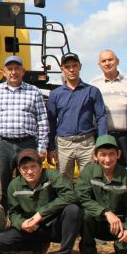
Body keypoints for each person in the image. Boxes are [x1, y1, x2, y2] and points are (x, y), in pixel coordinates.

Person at [0, 150, 81, 254]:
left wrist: (41, 214)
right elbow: (14, 212)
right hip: (32, 229)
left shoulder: (52, 176)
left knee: (72, 210)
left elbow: (71, 195)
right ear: (19, 170)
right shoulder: (14, 185)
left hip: (54, 225)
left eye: (33, 166)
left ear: (41, 166)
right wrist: (22, 224)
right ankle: (38, 245)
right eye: (24, 168)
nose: (29, 171)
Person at [0, 55, 49, 202]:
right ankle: (4, 216)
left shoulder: (34, 92)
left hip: (27, 144)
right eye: (9, 69)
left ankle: (25, 215)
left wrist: (42, 147)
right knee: (0, 182)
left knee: (28, 181)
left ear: (23, 71)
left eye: (17, 68)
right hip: (1, 145)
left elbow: (43, 121)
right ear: (4, 72)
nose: (13, 72)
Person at [75, 135, 127, 254]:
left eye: (112, 154)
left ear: (119, 154)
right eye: (103, 154)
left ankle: (124, 250)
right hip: (96, 223)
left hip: (120, 225)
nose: (107, 159)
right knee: (84, 214)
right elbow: (81, 197)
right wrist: (105, 212)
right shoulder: (88, 172)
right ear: (95, 156)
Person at [47, 53, 108, 181]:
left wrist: (102, 143)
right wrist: (51, 147)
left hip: (87, 142)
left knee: (90, 179)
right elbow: (51, 121)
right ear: (62, 69)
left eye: (74, 65)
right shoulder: (55, 94)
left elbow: (101, 117)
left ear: (80, 67)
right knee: (63, 181)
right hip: (64, 144)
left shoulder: (92, 91)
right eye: (67, 66)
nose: (71, 69)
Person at [90, 50, 127, 165]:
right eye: (103, 61)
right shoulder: (93, 85)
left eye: (110, 60)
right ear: (99, 65)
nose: (107, 63)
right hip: (103, 136)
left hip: (126, 137)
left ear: (117, 61)